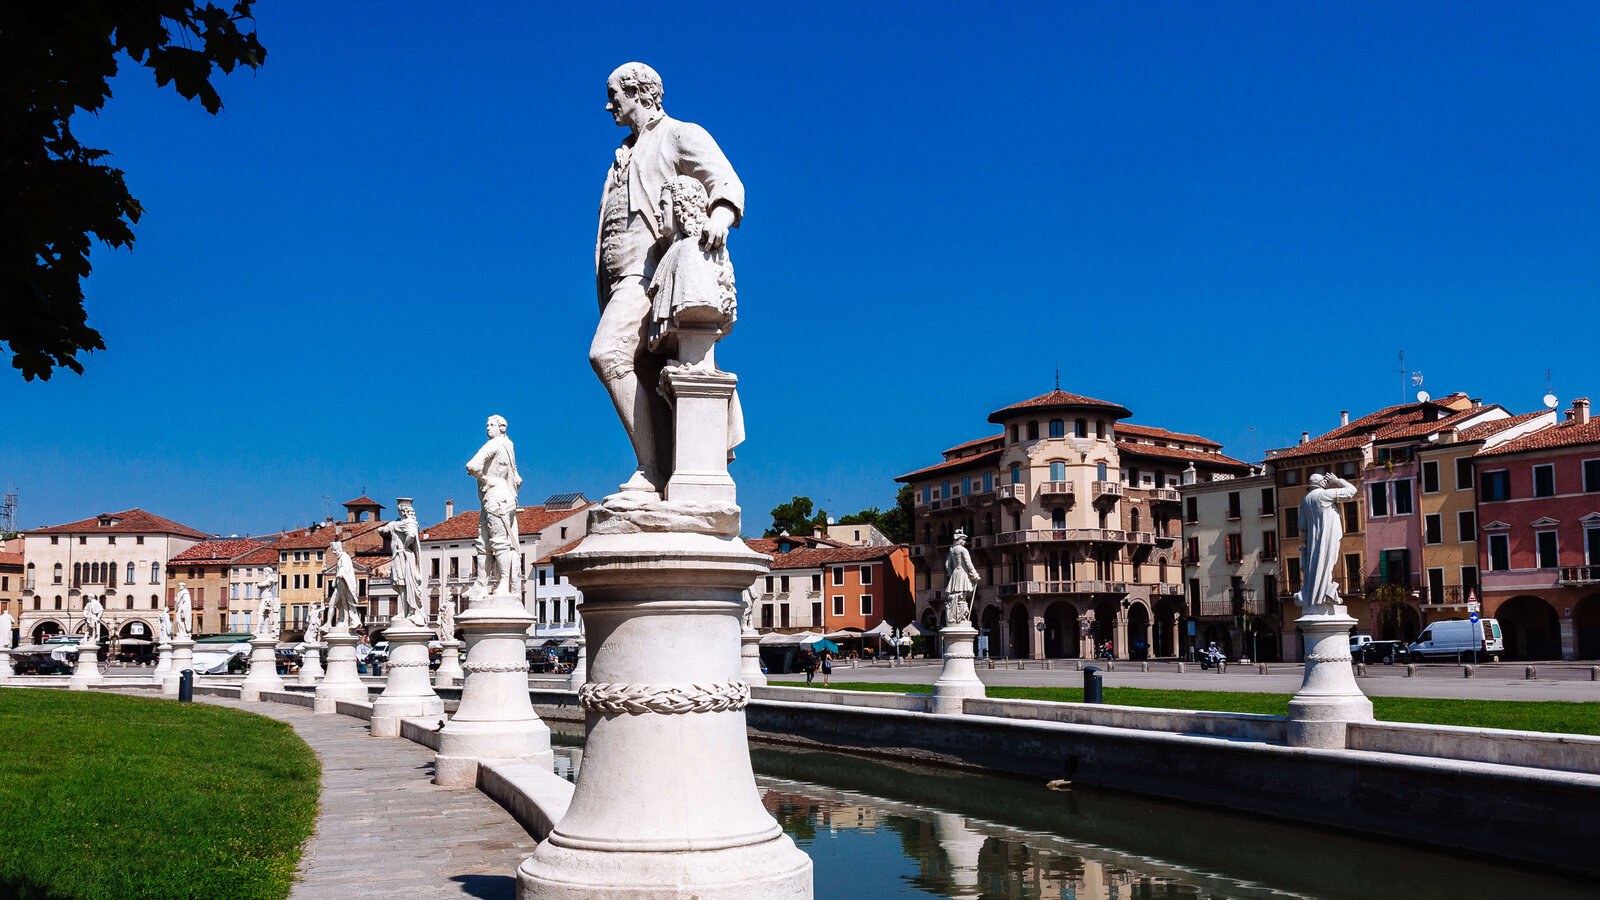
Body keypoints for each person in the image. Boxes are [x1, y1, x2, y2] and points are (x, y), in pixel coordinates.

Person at [591, 62, 745, 494]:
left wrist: (718, 216)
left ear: (640, 92)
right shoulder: (623, 152)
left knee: (606, 353)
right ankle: (663, 473)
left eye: (614, 95)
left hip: (649, 276)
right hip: (620, 281)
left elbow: (726, 180)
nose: (608, 105)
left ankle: (651, 468)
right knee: (647, 375)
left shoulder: (679, 134)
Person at [648, 175, 737, 372]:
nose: (656, 213)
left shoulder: (692, 251)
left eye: (663, 205)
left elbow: (699, 311)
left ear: (681, 206)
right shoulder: (674, 253)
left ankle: (696, 360)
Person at [467, 415, 521, 595]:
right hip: (505, 497)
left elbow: (472, 466)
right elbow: (517, 478)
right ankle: (482, 584)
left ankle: (502, 583)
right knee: (485, 543)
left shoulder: (493, 445)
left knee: (495, 543)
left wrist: (483, 478)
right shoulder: (509, 446)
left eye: (492, 425)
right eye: (487, 424)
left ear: (501, 428)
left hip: (494, 498)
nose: (488, 428)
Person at [1296, 473, 1359, 607]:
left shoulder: (1305, 500)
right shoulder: (1323, 495)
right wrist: (1337, 480)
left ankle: (1319, 595)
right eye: (1325, 481)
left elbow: (1301, 525)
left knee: (1317, 566)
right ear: (1320, 483)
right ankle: (1324, 596)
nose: (1327, 483)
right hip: (1328, 536)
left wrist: (1307, 542)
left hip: (1313, 541)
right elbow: (1352, 491)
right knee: (1327, 564)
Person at [379, 498, 429, 626]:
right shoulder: (397, 523)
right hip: (398, 556)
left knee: (406, 583)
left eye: (401, 509)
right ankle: (403, 611)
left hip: (404, 556)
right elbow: (386, 529)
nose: (400, 511)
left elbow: (411, 535)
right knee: (401, 584)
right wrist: (382, 529)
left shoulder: (410, 523)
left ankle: (408, 611)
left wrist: (405, 546)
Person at [943, 531, 980, 625]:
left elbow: (947, 565)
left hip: (955, 574)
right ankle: (960, 616)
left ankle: (955, 615)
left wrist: (951, 574)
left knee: (956, 595)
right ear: (959, 540)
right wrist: (975, 574)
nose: (964, 542)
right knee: (962, 597)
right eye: (963, 540)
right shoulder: (963, 550)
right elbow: (968, 564)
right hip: (962, 574)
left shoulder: (952, 550)